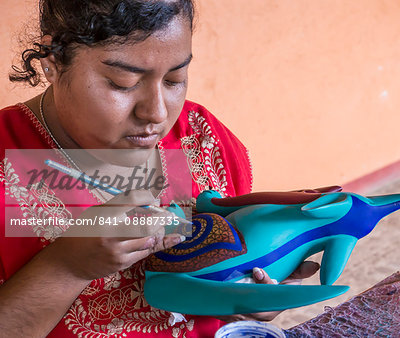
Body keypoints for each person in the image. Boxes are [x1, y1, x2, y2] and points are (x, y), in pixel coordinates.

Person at [0, 0, 320, 336]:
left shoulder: (199, 137)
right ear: (53, 62)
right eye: (123, 82)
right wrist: (66, 267)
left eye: (174, 79)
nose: (155, 113)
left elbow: (217, 288)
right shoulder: (10, 161)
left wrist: (247, 293)